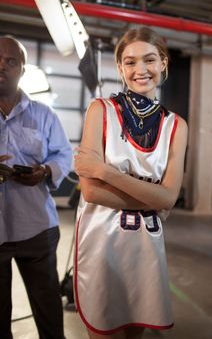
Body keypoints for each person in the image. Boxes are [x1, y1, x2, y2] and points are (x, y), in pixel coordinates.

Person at [74, 26, 188, 339]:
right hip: (101, 246)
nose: (141, 70)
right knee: (103, 330)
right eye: (130, 61)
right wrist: (154, 197)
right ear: (120, 67)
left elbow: (168, 199)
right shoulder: (101, 110)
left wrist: (107, 172)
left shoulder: (176, 125)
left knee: (136, 332)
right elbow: (91, 191)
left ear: (163, 63)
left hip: (146, 249)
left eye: (150, 60)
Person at [0, 36, 72, 339]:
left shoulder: (44, 114)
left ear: (22, 69)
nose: (1, 66)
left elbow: (64, 154)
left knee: (48, 313)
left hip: (37, 229)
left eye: (10, 61)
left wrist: (44, 170)